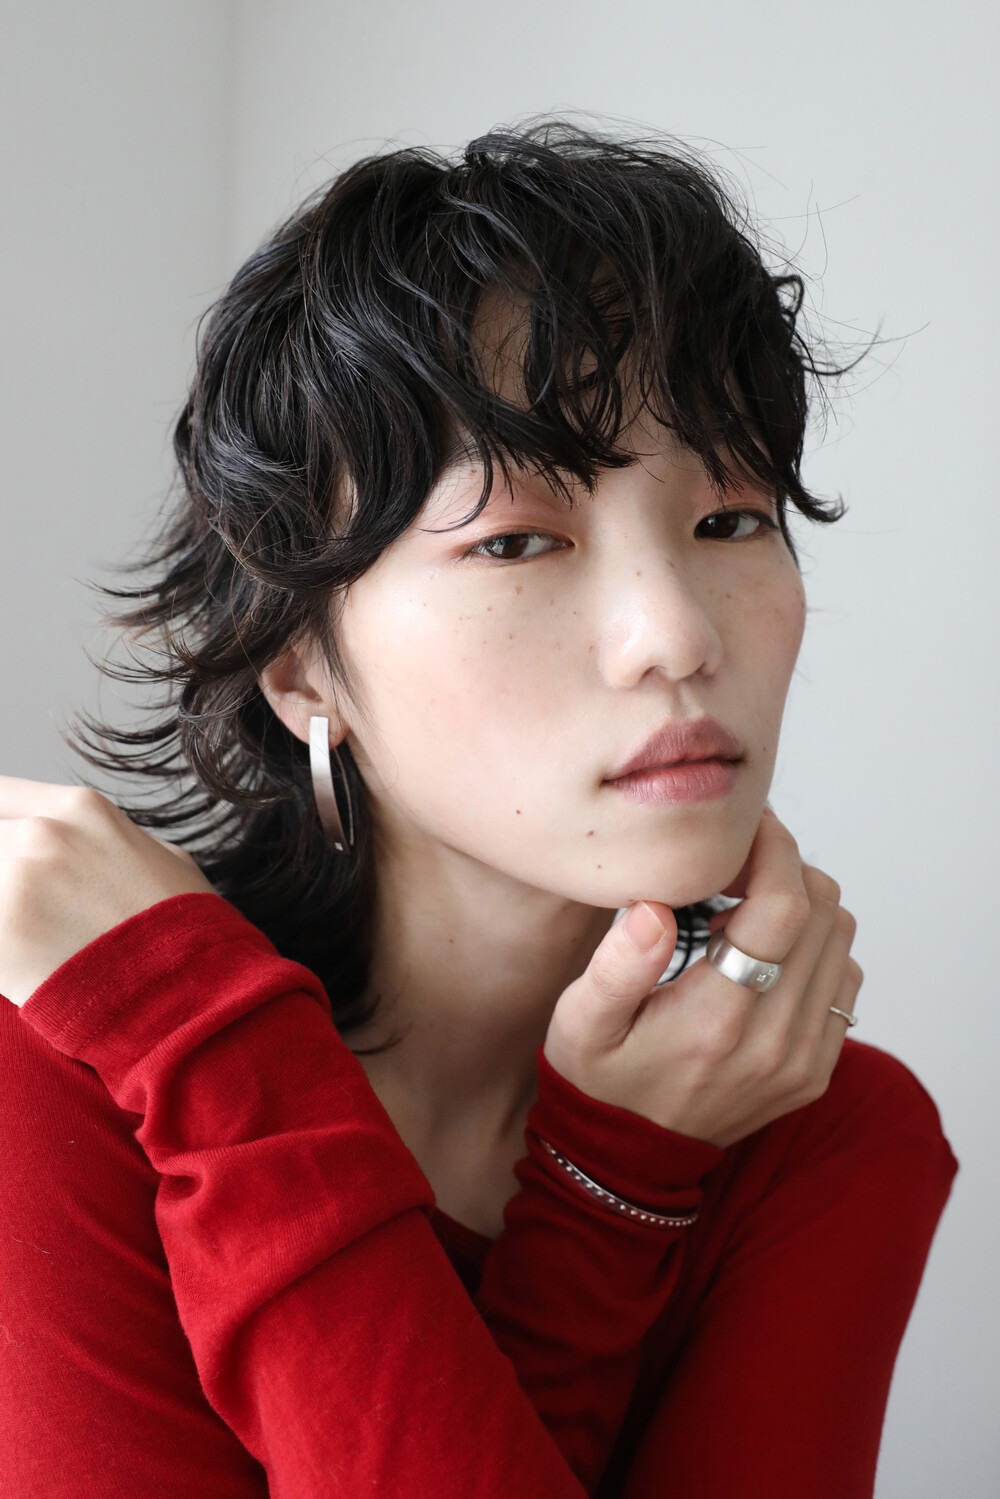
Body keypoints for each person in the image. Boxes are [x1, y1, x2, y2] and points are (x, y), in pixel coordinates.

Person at [0, 122, 957, 1498]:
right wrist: (197, 1037)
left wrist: (617, 1180)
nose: (676, 636)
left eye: (732, 520)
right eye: (517, 541)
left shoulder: (821, 1132)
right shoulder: (71, 1071)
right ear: (302, 667)